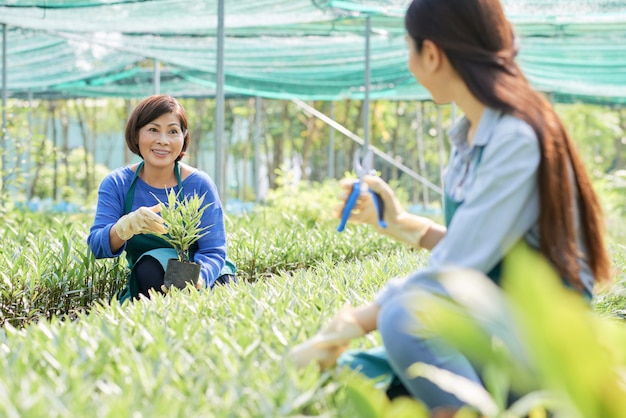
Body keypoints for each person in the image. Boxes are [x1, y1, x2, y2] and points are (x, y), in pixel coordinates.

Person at [289, 0, 611, 415]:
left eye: (409, 50)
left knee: (403, 318)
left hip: (548, 342)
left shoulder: (514, 137)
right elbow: (484, 251)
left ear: (433, 54)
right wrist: (399, 222)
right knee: (357, 373)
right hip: (501, 323)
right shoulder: (470, 136)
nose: (409, 66)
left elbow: (457, 269)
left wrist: (352, 323)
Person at [87, 94, 236, 304]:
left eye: (173, 131)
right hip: (150, 277)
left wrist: (199, 278)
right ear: (136, 134)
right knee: (149, 267)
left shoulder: (200, 184)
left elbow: (213, 250)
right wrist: (124, 227)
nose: (163, 140)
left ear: (183, 138)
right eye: (153, 129)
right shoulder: (117, 183)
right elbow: (97, 246)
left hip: (209, 276)